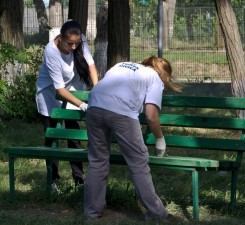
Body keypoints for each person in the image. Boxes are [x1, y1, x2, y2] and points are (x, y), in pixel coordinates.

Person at [84, 56, 182, 220]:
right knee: (138, 163)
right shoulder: (155, 78)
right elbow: (151, 115)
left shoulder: (121, 65)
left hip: (94, 106)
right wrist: (160, 139)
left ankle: (92, 213)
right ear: (164, 75)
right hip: (122, 113)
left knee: (97, 161)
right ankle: (156, 213)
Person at [35, 20, 98, 190]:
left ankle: (79, 180)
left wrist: (97, 90)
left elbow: (91, 65)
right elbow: (59, 90)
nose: (73, 47)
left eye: (76, 43)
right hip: (50, 94)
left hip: (72, 90)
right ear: (61, 38)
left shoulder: (79, 40)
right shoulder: (51, 51)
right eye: (70, 43)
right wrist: (83, 105)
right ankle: (52, 180)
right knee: (52, 137)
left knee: (74, 137)